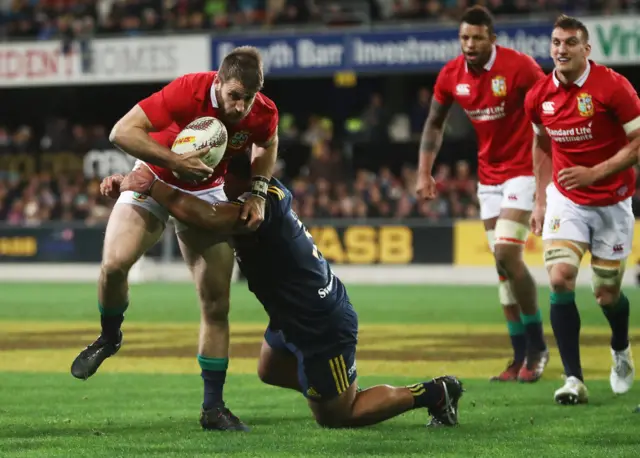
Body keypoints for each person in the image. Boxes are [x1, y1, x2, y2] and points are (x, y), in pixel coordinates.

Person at [97, 154, 464, 429]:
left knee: (337, 417)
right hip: (292, 315)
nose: (212, 183)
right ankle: (333, 386)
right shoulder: (261, 194)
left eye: (218, 176)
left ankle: (436, 392)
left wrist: (151, 184)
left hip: (318, 324)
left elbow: (203, 216)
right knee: (268, 370)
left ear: (238, 178)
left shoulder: (256, 212)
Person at [70, 46, 279, 431]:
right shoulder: (188, 90)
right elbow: (122, 131)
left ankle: (213, 408)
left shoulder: (263, 111)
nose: (240, 107)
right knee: (114, 265)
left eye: (248, 98)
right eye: (234, 95)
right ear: (218, 82)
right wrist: (175, 161)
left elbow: (267, 142)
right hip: (152, 177)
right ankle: (109, 336)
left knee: (216, 304)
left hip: (205, 192)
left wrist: (258, 190)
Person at [416, 5, 548, 382]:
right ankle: (519, 355)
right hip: (488, 179)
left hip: (523, 171)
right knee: (502, 267)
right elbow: (433, 123)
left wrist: (549, 174)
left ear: (492, 38)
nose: (469, 44)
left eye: (477, 37)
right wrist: (424, 172)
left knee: (507, 252)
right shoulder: (451, 75)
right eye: (464, 38)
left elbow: (549, 108)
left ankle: (538, 346)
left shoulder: (520, 67)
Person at [525, 15, 640, 405]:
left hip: (613, 202)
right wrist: (540, 199)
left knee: (607, 295)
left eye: (570, 42)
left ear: (586, 49)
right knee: (559, 279)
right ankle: (573, 378)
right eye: (556, 42)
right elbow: (540, 146)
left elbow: (638, 142)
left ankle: (621, 349)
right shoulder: (539, 95)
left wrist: (596, 172)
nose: (561, 49)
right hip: (566, 199)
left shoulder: (613, 87)